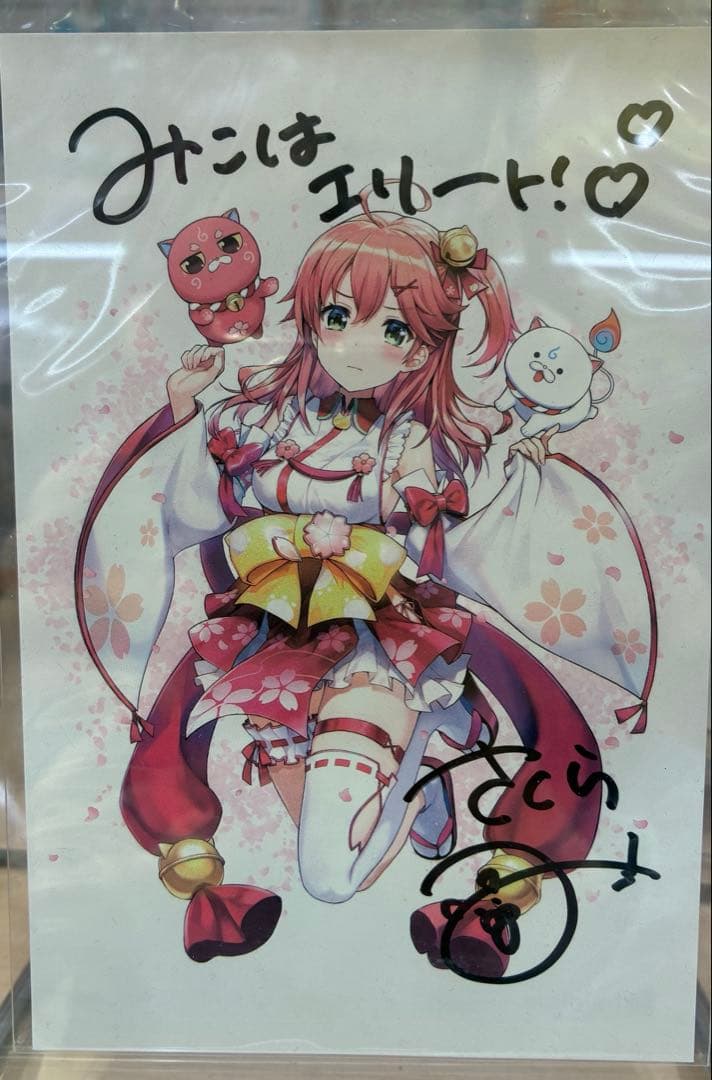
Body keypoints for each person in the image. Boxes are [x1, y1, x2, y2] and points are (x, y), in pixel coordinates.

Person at [76, 188, 655, 973]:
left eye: (394, 328)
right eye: (336, 316)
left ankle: (466, 832)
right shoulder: (257, 417)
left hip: (384, 630)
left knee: (345, 858)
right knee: (204, 731)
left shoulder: (428, 443)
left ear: (420, 348)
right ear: (310, 318)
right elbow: (178, 492)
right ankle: (250, 849)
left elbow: (473, 506)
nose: (355, 344)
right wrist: (181, 411)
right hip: (275, 621)